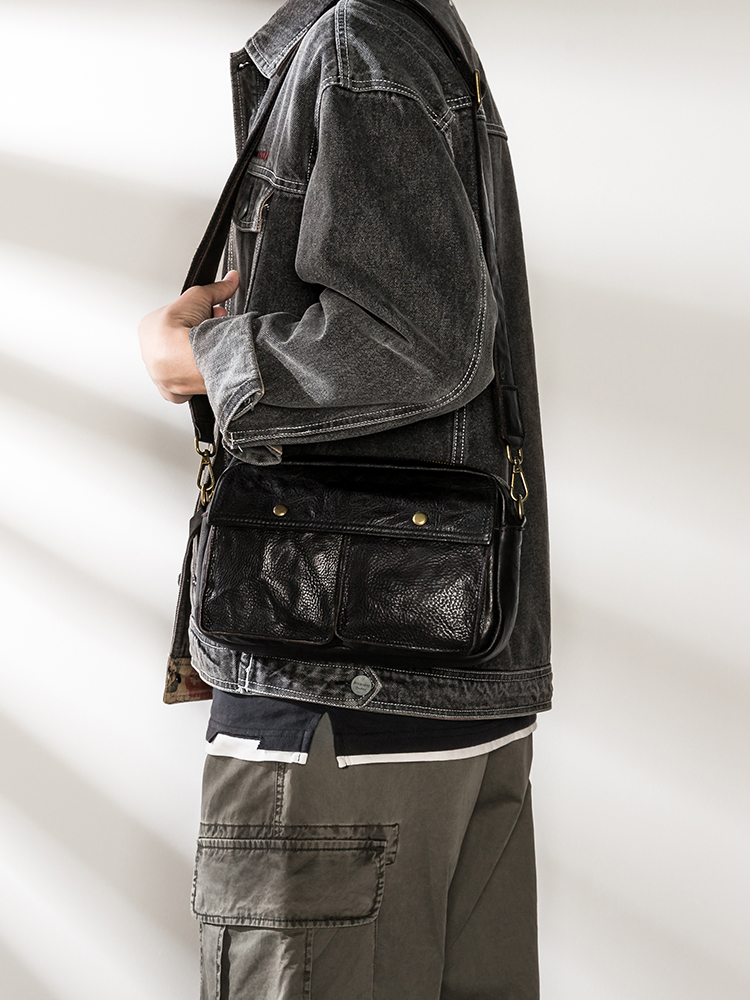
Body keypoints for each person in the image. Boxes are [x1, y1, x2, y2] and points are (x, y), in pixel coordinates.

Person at [138, 1, 551, 997]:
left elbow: (423, 342)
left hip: (336, 699)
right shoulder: (406, 35)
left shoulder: (357, 42)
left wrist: (197, 358)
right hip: (437, 682)